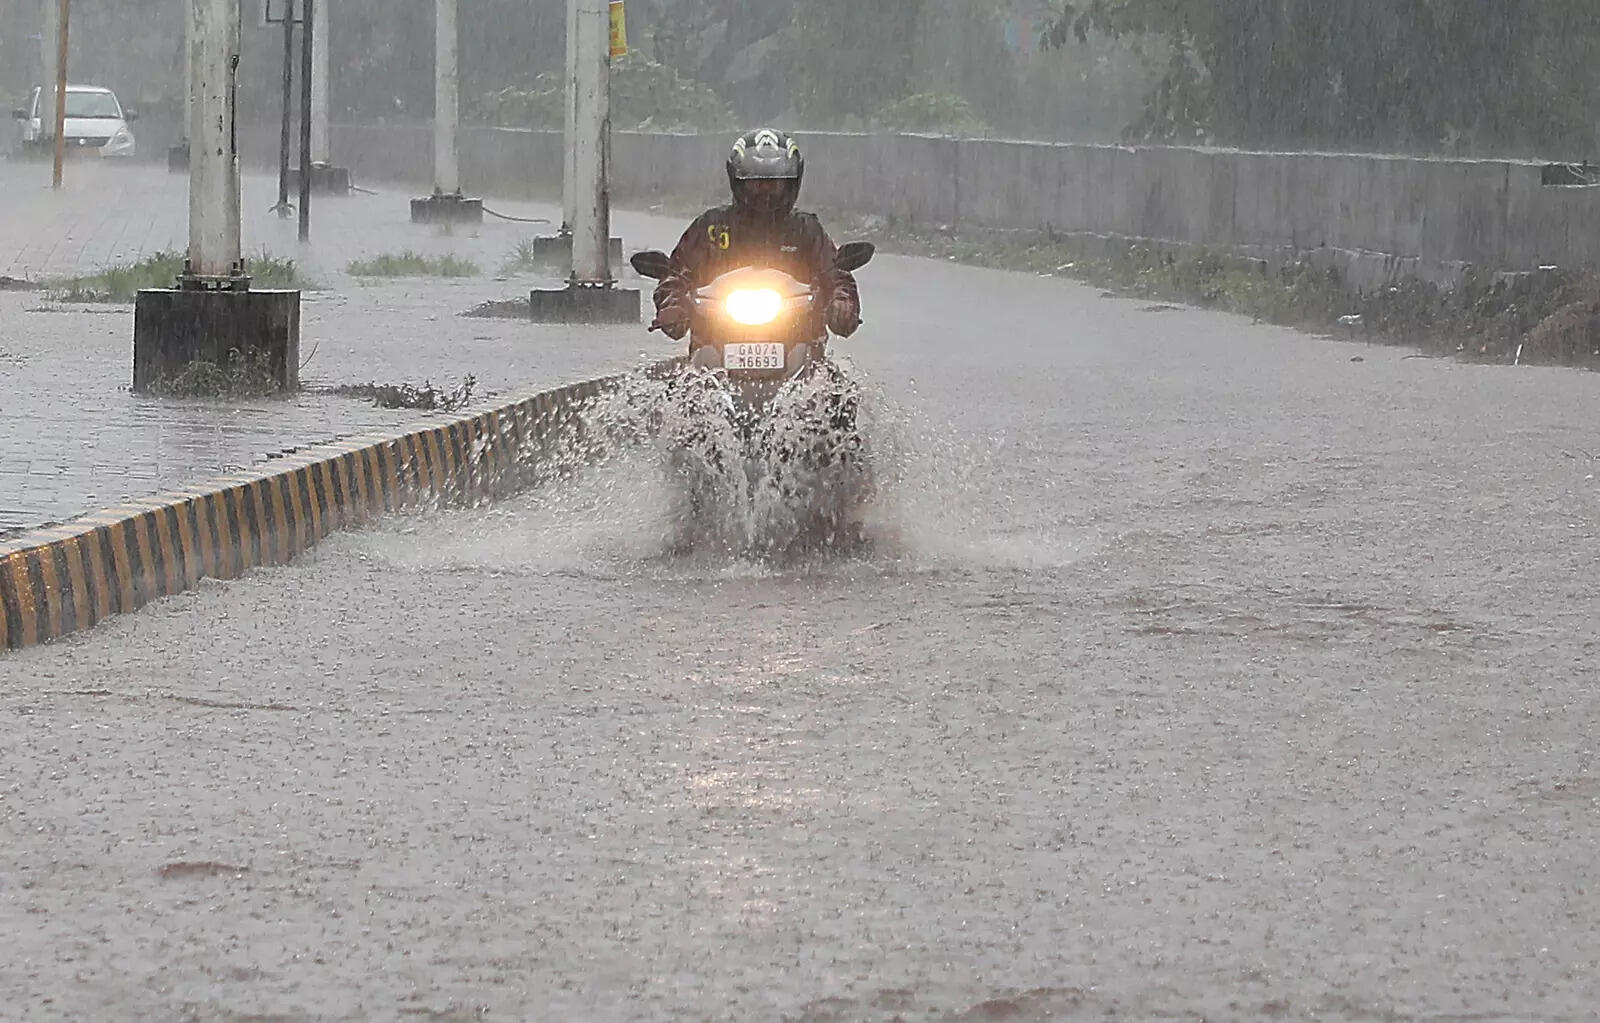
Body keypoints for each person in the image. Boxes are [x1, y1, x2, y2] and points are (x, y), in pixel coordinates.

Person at [650, 129, 861, 343]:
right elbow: (677, 274)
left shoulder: (807, 229)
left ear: (792, 184)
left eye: (775, 184)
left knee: (837, 377)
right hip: (715, 339)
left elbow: (834, 274)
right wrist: (672, 304)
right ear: (737, 181)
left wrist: (842, 302)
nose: (765, 193)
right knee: (662, 376)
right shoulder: (711, 228)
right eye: (757, 184)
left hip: (799, 340)